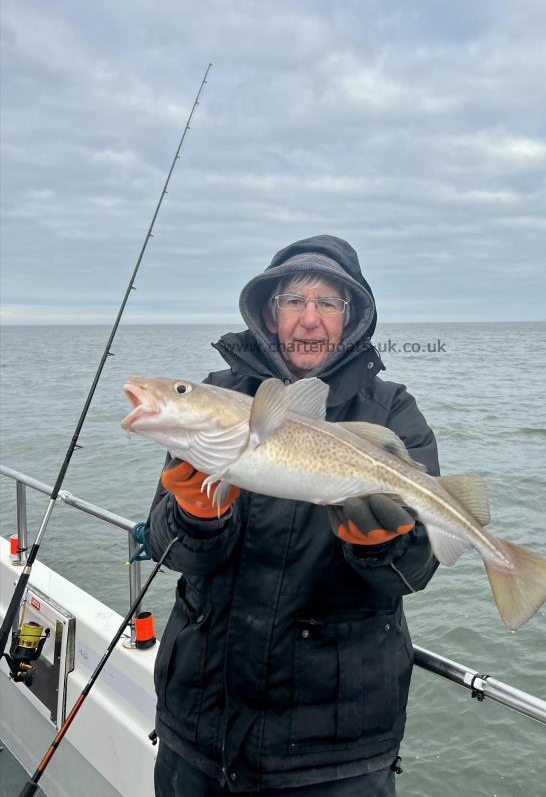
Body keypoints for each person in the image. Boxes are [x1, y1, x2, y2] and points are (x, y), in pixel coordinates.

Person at [145, 234, 440, 796]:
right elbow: (168, 549)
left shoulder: (392, 412)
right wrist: (196, 518)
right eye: (293, 302)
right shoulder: (214, 400)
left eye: (328, 304)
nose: (310, 321)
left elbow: (414, 571)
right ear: (267, 313)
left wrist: (380, 542)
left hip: (335, 753)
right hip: (201, 728)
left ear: (351, 319)